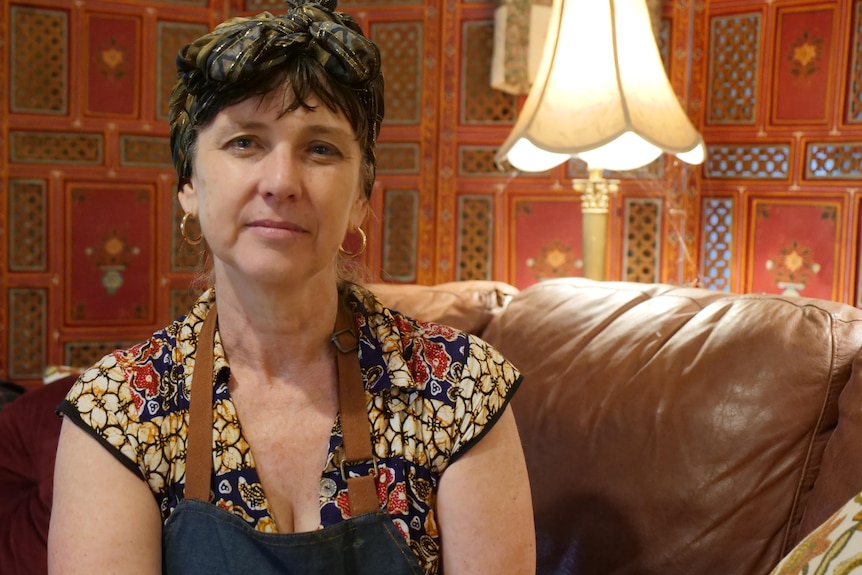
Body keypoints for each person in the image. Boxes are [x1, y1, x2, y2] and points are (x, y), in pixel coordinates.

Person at [47, 1, 535, 573]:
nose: (280, 182)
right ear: (188, 185)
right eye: (245, 143)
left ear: (360, 196)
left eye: (321, 148)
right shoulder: (119, 408)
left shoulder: (459, 389)